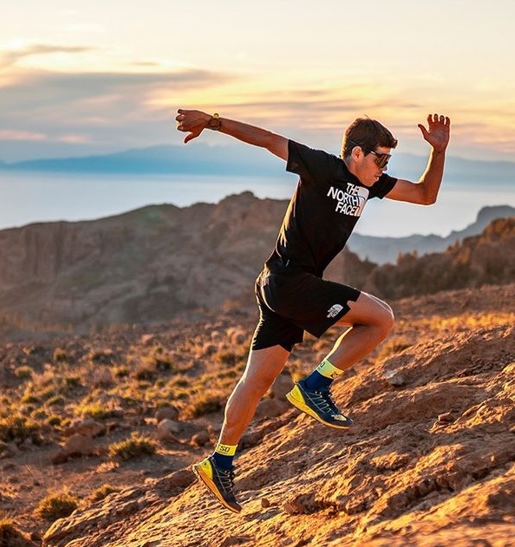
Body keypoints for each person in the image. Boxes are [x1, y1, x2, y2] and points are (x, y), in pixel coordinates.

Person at [175, 107, 450, 513]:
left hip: (279, 285)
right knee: (381, 318)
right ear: (356, 154)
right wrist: (213, 122)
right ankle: (316, 386)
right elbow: (268, 139)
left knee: (257, 382)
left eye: (389, 160)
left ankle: (220, 460)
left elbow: (426, 195)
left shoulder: (371, 185)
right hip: (289, 282)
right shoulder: (322, 166)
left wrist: (439, 152)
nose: (384, 167)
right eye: (380, 158)